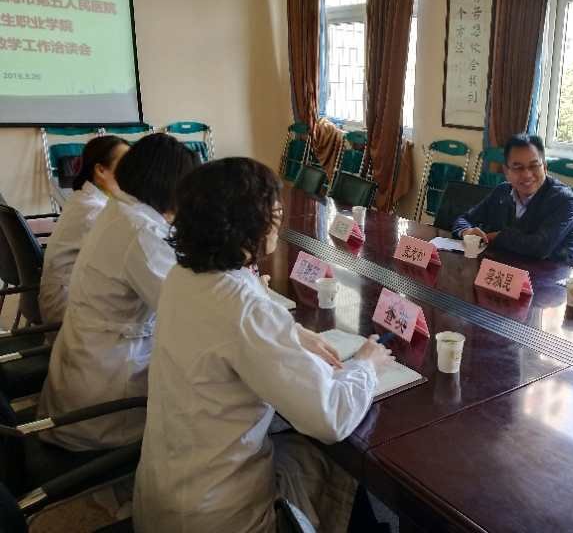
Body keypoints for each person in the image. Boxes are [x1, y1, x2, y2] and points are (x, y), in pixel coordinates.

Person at [133, 157, 393, 533]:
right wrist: (367, 364)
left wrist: (292, 334)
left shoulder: (183, 275)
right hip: (217, 515)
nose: (279, 219)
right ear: (249, 221)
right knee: (333, 459)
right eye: (275, 210)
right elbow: (329, 417)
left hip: (169, 490)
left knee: (298, 446)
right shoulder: (244, 308)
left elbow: (227, 328)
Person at [38, 134, 199, 450]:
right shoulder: (140, 230)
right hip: (108, 404)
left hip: (90, 371)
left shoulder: (121, 211)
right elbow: (187, 310)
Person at [38, 135, 130, 324]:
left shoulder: (85, 198)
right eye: (126, 164)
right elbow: (125, 261)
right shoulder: (94, 210)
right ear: (101, 170)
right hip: (66, 311)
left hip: (69, 296)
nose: (133, 171)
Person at [452, 135, 573, 266]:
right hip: (511, 267)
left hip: (559, 273)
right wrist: (466, 231)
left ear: (544, 167)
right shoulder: (502, 191)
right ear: (506, 171)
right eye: (518, 167)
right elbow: (464, 219)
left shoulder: (563, 199)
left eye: (534, 166)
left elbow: (539, 247)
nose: (527, 175)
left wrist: (497, 236)